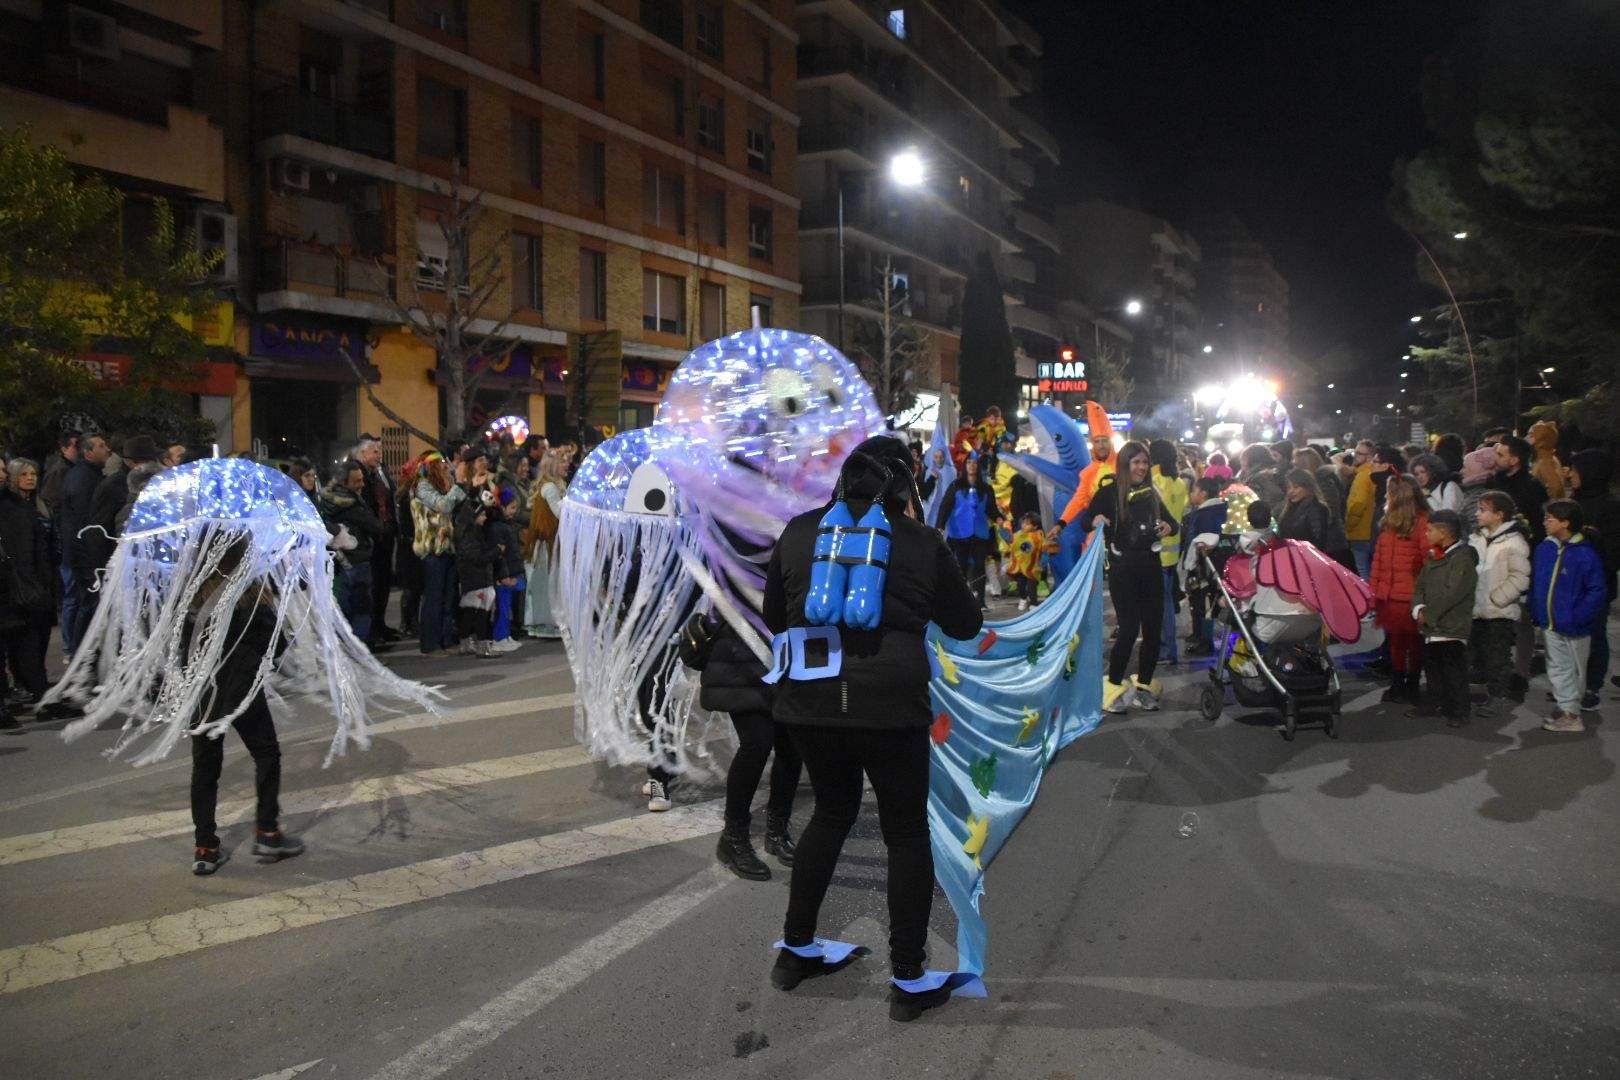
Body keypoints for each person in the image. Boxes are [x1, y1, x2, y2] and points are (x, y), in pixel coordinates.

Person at [763, 435, 982, 1022]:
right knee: (905, 833)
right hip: (892, 707)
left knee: (830, 813)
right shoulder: (920, 541)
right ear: (905, 482)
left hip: (809, 703)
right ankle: (908, 977)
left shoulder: (800, 531)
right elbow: (965, 623)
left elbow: (774, 616)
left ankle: (796, 950)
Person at [183, 536, 304, 875]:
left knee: (205, 769)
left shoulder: (192, 598)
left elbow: (182, 651)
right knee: (266, 754)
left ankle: (205, 846)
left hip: (204, 696)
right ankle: (267, 832)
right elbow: (276, 647)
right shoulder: (252, 595)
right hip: (243, 692)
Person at [678, 603, 802, 880]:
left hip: (784, 653)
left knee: (792, 747)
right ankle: (733, 837)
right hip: (740, 658)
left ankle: (778, 831)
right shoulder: (735, 573)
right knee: (757, 744)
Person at [1067, 441, 1178, 714]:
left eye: (1144, 462)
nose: (1141, 467)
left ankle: (1144, 688)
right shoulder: (1108, 492)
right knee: (1128, 630)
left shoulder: (1150, 494)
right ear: (1125, 464)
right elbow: (1085, 521)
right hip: (1122, 569)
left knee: (1153, 630)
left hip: (1151, 568)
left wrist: (1168, 526)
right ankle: (1113, 686)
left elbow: (1174, 524)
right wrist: (1094, 521)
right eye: (1136, 462)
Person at [1531, 500, 1606, 733]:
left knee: (1574, 670)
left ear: (1565, 523)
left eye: (1550, 519)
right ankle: (1567, 709)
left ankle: (1572, 713)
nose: (1545, 522)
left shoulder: (1585, 554)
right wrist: (1536, 608)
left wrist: (1579, 616)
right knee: (1557, 667)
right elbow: (1538, 583)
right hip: (1550, 621)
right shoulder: (1545, 549)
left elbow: (1596, 590)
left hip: (1574, 624)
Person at [0, 458, 67, 719]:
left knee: (29, 644)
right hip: (18, 588)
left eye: (4, 470)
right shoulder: (13, 507)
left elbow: (34, 547)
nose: (3, 474)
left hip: (24, 587)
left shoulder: (20, 505)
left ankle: (39, 697)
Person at [1494, 434, 1550, 699]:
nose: (1495, 459)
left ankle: (1520, 672)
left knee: (1522, 618)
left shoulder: (1532, 487)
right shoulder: (1496, 482)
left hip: (1520, 559)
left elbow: (1537, 527)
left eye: (1501, 454)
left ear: (1514, 459)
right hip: (1495, 557)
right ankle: (1498, 667)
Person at [1411, 510, 1477, 727]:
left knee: (1454, 671)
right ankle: (1434, 702)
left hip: (1451, 625)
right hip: (1432, 626)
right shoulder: (1434, 556)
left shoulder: (1463, 560)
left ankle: (1459, 711)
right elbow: (1420, 586)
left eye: (1430, 530)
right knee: (1433, 668)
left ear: (1444, 532)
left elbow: (1453, 593)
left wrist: (1428, 614)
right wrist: (1418, 608)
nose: (1426, 534)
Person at [1468, 491, 1531, 710]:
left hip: (1499, 611)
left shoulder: (1513, 542)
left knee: (1498, 656)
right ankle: (1482, 688)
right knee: (1478, 652)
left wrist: (1498, 598)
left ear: (1499, 514)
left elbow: (1520, 577)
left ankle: (1498, 695)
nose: (1477, 514)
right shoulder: (1477, 538)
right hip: (1476, 608)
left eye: (1483, 510)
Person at [1370, 475, 1429, 703]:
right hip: (1391, 594)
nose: (1386, 495)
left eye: (1389, 491)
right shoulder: (1389, 523)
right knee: (1397, 642)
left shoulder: (1421, 523)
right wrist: (1375, 591)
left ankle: (1411, 684)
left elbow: (1427, 561)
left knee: (1413, 643)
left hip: (1411, 595)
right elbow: (1379, 560)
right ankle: (1398, 682)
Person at [1567, 449, 1618, 709]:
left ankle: (1591, 686)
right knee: (1568, 636)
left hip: (1594, 585)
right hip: (1567, 582)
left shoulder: (1610, 507)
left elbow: (1613, 552)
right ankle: (1570, 685)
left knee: (1594, 634)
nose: (1570, 474)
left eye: (1575, 469)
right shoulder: (1573, 501)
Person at [320, 460, 384, 645]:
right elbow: (375, 526)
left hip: (340, 562)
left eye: (362, 480)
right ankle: (358, 650)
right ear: (344, 483)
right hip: (357, 560)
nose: (362, 484)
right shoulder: (352, 505)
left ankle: (346, 649)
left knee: (344, 609)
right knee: (361, 610)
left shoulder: (327, 502)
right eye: (357, 481)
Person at [57, 431, 109, 657]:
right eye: (101, 446)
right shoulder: (83, 479)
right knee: (84, 602)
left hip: (82, 553)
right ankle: (78, 652)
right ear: (88, 452)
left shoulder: (88, 475)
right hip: (83, 555)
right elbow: (85, 521)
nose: (106, 450)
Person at [410, 452, 465, 657]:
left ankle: (447, 639)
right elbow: (443, 506)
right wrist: (457, 486)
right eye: (441, 464)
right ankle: (430, 644)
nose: (445, 468)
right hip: (432, 549)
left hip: (447, 547)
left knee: (448, 597)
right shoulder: (422, 487)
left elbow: (460, 500)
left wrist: (458, 483)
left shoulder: (444, 486)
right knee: (434, 597)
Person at [934, 454, 1001, 606]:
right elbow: (945, 507)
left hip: (980, 533)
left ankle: (980, 600)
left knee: (980, 567)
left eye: (975, 463)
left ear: (979, 466)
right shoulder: (955, 486)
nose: (972, 465)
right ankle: (961, 601)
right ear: (964, 466)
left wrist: (999, 519)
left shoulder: (986, 488)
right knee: (960, 567)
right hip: (959, 533)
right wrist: (940, 526)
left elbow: (992, 509)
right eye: (969, 462)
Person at [354, 436, 401, 645]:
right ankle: (371, 631)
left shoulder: (379, 473)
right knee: (373, 586)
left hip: (385, 535)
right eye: (375, 451)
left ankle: (380, 626)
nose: (379, 454)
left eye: (379, 450)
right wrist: (378, 527)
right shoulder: (359, 475)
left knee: (383, 583)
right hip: (372, 536)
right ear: (363, 453)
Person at [453, 452, 499, 658]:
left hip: (476, 571)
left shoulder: (474, 530)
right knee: (480, 610)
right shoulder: (468, 533)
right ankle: (481, 644)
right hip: (475, 573)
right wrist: (496, 552)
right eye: (480, 460)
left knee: (473, 609)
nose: (484, 517)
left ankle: (467, 642)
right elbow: (477, 556)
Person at [1150, 439, 1189, 664]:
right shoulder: (1179, 483)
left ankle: (1165, 649)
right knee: (1166, 603)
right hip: (1172, 552)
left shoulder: (1154, 481)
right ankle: (1168, 648)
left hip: (1157, 551)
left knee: (1159, 606)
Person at [1180, 476, 1229, 657]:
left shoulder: (1204, 514)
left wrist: (1190, 563)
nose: (1191, 494)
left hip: (1204, 567)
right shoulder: (1222, 509)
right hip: (1217, 565)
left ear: (1203, 493)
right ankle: (1198, 635)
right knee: (1206, 603)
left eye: (1194, 490)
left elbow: (1200, 541)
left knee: (1203, 604)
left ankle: (1204, 641)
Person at [522, 449, 567, 638]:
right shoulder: (549, 488)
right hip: (546, 545)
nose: (566, 464)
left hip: (549, 544)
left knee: (548, 584)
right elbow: (560, 514)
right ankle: (548, 624)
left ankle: (549, 624)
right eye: (562, 461)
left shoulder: (552, 486)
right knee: (548, 584)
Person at [1277, 469, 1351, 566]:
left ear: (1307, 487)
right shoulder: (1288, 508)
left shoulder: (1316, 508)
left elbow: (1318, 541)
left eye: (1296, 487)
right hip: (1294, 560)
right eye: (1288, 488)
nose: (1291, 491)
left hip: (1310, 562)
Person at [488, 487, 526, 653]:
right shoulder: (498, 527)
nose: (514, 511)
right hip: (504, 574)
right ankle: (499, 637)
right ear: (502, 507)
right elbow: (500, 555)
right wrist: (503, 575)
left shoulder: (507, 525)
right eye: (511, 508)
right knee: (503, 607)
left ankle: (506, 634)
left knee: (507, 606)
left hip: (511, 571)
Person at [394, 456, 424, 638]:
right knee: (411, 586)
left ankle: (411, 621)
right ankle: (407, 622)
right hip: (409, 544)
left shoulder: (410, 492)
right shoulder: (407, 495)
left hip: (411, 543)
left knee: (415, 586)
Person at [1006, 510, 1055, 611]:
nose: (1024, 526)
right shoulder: (1017, 536)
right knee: (1020, 584)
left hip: (1033, 567)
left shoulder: (1039, 537)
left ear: (1035, 526)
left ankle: (1033, 603)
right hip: (1020, 568)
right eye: (1023, 523)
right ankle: (1023, 598)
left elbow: (1044, 550)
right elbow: (1012, 547)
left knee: (1032, 585)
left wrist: (1043, 563)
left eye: (1027, 524)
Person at [1344, 439, 1378, 578]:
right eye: (1355, 452)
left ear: (1369, 457)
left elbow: (1358, 504)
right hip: (1373, 530)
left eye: (1359, 453)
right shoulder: (1374, 473)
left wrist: (1349, 527)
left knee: (1361, 570)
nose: (1355, 456)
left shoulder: (1363, 476)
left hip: (1360, 531)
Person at [40, 431, 78, 520]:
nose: (80, 449)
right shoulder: (59, 471)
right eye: (76, 446)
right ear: (64, 449)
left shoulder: (74, 467)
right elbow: (50, 501)